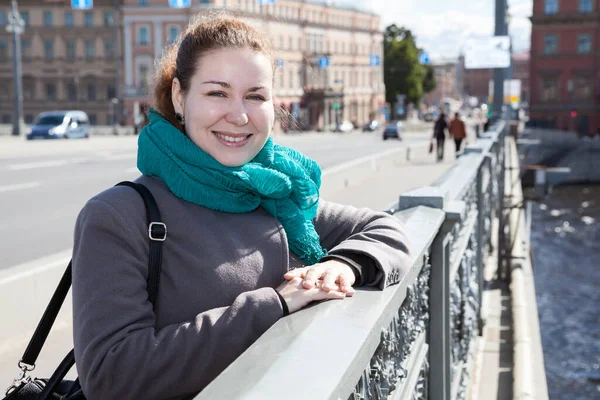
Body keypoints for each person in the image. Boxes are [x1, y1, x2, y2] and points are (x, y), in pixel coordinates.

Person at [71, 13, 411, 400]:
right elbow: (113, 375)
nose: (239, 115)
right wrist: (276, 305)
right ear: (180, 97)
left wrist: (343, 265)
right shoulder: (119, 215)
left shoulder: (276, 198)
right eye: (217, 93)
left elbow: (387, 230)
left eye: (255, 95)